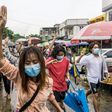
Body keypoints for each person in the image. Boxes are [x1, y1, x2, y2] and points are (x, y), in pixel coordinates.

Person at [0, 6, 63, 112]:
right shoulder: (19, 76)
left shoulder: (47, 81)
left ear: (41, 63)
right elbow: (1, 60)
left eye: (35, 62)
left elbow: (50, 96)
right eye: (27, 63)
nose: (32, 66)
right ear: (22, 65)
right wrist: (0, 30)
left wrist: (59, 109)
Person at [76, 42, 109, 112]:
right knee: (96, 95)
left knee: (95, 93)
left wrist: (106, 73)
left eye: (97, 47)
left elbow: (104, 66)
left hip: (99, 78)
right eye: (95, 47)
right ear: (91, 49)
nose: (97, 49)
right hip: (91, 78)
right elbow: (77, 63)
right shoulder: (88, 58)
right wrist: (81, 56)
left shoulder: (101, 57)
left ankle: (85, 95)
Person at [46, 45, 70, 111]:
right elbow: (42, 68)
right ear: (55, 54)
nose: (61, 56)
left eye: (62, 54)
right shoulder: (50, 60)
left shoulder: (66, 61)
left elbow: (67, 71)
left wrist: (68, 77)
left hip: (63, 85)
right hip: (54, 86)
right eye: (59, 55)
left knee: (61, 102)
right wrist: (49, 63)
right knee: (58, 104)